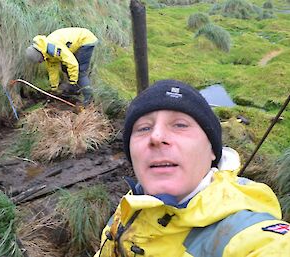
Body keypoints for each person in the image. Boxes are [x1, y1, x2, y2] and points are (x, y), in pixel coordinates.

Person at [95, 79, 290, 257]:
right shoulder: (132, 204)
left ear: (212, 150)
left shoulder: (251, 238)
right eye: (144, 128)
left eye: (180, 125)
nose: (156, 137)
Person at [25, 27, 98, 106]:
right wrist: (54, 89)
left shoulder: (53, 48)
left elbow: (72, 63)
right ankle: (77, 89)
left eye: (39, 60)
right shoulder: (46, 52)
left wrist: (72, 82)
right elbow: (53, 70)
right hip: (75, 43)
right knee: (65, 67)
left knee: (80, 71)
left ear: (39, 55)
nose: (40, 62)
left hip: (85, 39)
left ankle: (89, 100)